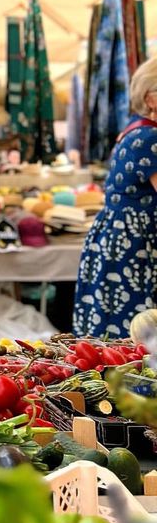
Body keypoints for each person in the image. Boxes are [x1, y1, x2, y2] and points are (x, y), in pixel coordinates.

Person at [74, 58, 157, 337]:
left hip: (119, 242)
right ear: (151, 99)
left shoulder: (134, 130)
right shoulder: (150, 138)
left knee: (114, 333)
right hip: (135, 249)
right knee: (138, 335)